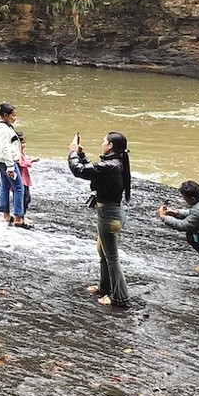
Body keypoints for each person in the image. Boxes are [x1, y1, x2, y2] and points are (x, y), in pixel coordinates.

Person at [69, 131, 132, 308]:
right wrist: (81, 154)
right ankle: (105, 288)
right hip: (110, 214)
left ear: (110, 145)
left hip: (109, 217)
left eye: (104, 141)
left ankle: (120, 298)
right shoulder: (114, 163)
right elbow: (94, 171)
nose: (102, 144)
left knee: (111, 258)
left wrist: (73, 152)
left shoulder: (111, 165)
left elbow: (79, 170)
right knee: (103, 253)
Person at [0, 103, 31, 228]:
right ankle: (18, 218)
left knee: (5, 186)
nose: (15, 118)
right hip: (7, 161)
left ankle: (6, 215)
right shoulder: (4, 129)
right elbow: (5, 148)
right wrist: (10, 167)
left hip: (0, 160)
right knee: (19, 188)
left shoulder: (0, 125)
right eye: (13, 115)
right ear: (5, 115)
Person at [18, 133, 36, 215]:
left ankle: (22, 214)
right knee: (24, 198)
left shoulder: (21, 152)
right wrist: (31, 161)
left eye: (24, 143)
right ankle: (21, 215)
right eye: (22, 143)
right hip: (21, 178)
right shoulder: (17, 153)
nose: (23, 145)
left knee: (27, 198)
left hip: (24, 178)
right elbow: (21, 163)